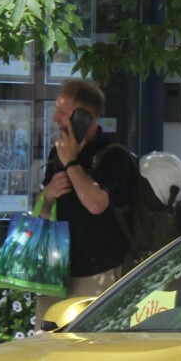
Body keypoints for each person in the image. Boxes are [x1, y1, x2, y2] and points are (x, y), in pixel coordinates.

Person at [35, 78, 133, 328]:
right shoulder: (56, 153)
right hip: (57, 272)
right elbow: (44, 213)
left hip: (97, 271)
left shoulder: (114, 156)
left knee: (89, 348)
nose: (56, 119)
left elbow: (96, 204)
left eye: (63, 112)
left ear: (84, 116)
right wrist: (48, 195)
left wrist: (71, 163)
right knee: (45, 345)